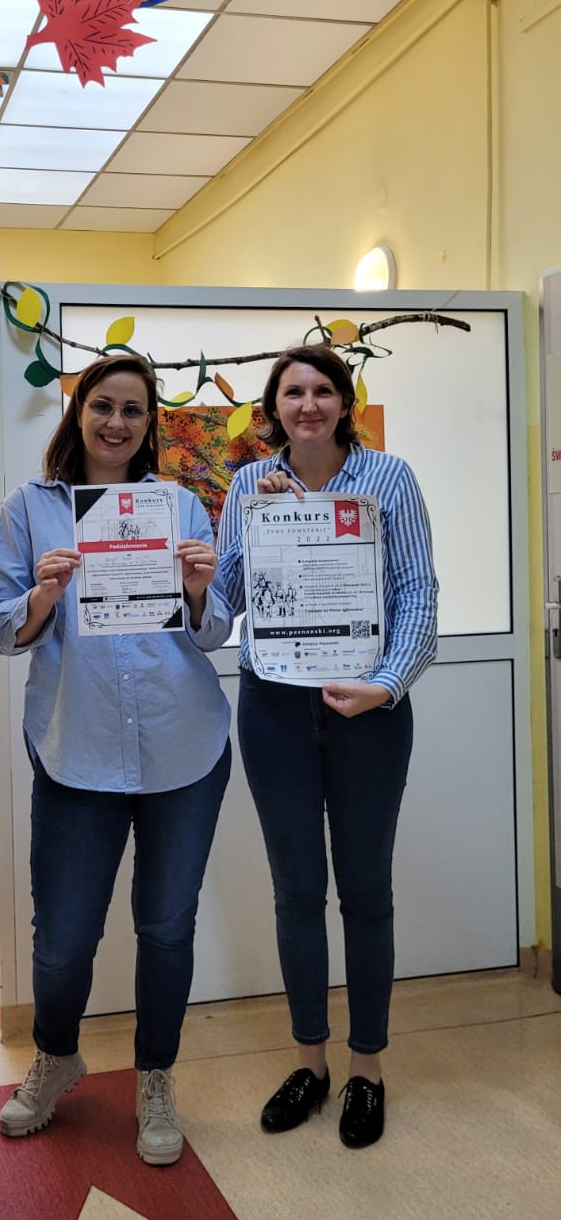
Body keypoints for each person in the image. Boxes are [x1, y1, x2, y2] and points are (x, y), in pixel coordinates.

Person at [0, 353, 233, 1165]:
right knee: (62, 937)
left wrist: (199, 590)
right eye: (102, 406)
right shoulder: (30, 508)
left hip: (182, 743)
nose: (116, 423)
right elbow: (0, 630)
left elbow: (215, 631)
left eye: (132, 410)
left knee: (165, 928)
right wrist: (43, 596)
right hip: (75, 748)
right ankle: (56, 1055)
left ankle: (155, 1076)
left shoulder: (180, 506)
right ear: (78, 412)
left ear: (148, 423)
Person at [217, 344, 438, 1148]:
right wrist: (254, 525)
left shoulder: (390, 478)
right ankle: (309, 1062)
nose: (307, 404)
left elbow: (417, 592)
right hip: (274, 709)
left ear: (345, 402)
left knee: (366, 892)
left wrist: (387, 684)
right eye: (293, 393)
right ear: (273, 409)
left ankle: (367, 1067)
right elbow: (224, 603)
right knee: (296, 891)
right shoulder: (247, 485)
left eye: (322, 390)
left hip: (368, 709)